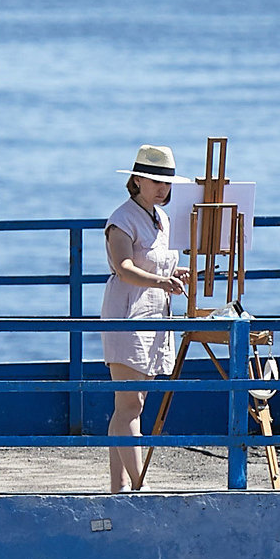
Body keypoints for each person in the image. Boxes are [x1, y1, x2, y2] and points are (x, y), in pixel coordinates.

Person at [101, 145, 190, 491]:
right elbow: (124, 268)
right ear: (136, 180)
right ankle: (141, 486)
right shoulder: (121, 220)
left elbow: (155, 263)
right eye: (155, 181)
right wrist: (161, 281)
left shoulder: (162, 219)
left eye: (166, 182)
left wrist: (175, 273)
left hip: (154, 316)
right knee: (129, 405)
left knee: (131, 406)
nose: (162, 188)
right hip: (128, 315)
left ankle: (119, 485)